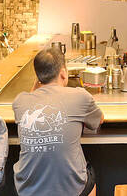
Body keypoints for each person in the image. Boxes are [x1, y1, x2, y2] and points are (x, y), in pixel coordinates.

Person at [12, 47, 103, 196]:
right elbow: (99, 120)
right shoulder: (80, 96)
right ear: (63, 73)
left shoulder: (20, 101)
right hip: (72, 190)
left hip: (27, 190)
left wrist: (38, 82)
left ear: (38, 77)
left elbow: (32, 98)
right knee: (90, 174)